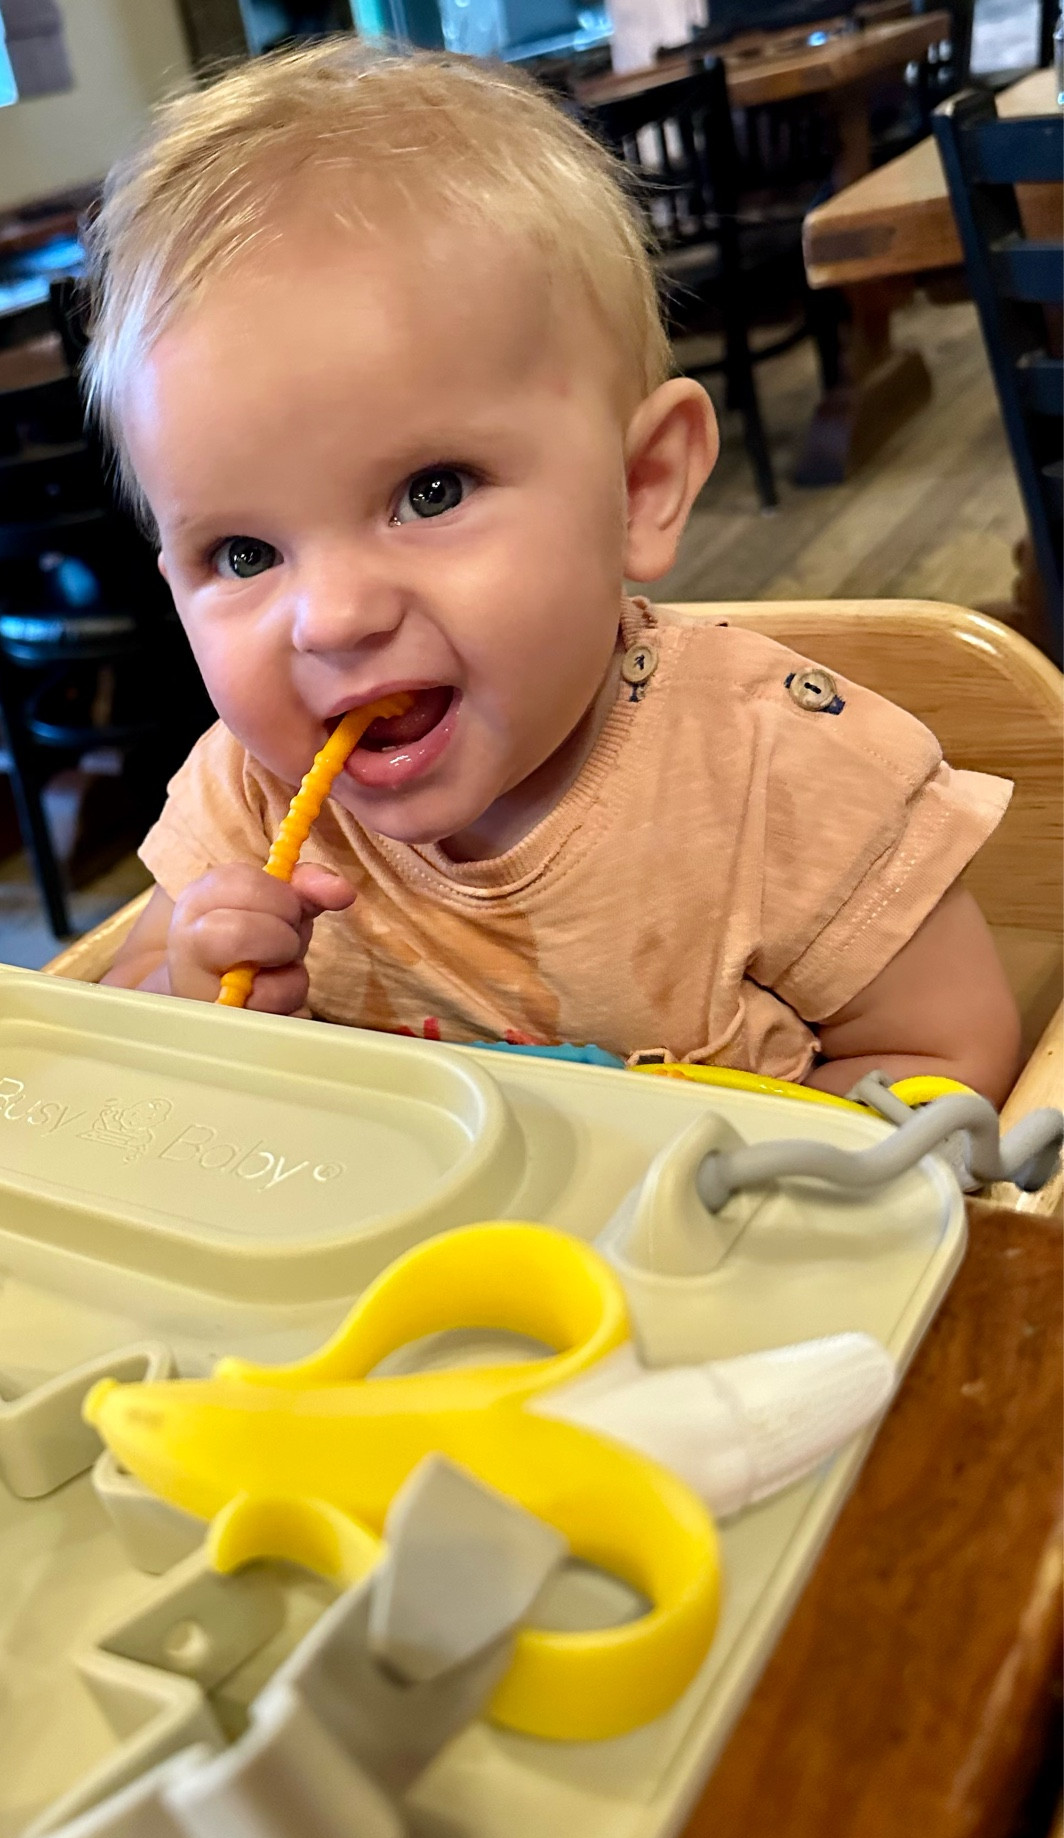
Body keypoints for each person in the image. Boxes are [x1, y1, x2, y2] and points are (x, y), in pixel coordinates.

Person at [93, 42, 1020, 1104]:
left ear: (642, 484)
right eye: (245, 555)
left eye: (432, 491)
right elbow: (116, 1011)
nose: (332, 618)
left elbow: (954, 1061)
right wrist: (192, 996)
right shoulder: (246, 803)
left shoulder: (786, 779)